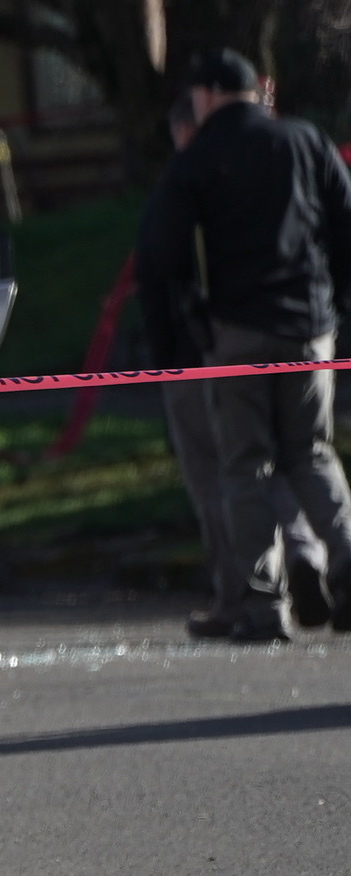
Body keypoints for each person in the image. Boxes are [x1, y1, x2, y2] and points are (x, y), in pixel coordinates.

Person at [136, 48, 351, 643]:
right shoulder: (305, 141)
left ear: (205, 96)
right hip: (309, 328)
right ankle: (346, 555)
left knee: (246, 466)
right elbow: (345, 220)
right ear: (259, 90)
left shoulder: (197, 159)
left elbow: (160, 255)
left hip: (238, 331)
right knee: (311, 452)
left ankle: (262, 603)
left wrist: (185, 330)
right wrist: (336, 301)